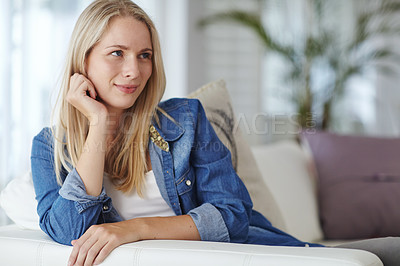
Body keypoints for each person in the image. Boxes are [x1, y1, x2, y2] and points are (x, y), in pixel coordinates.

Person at [30, 1, 399, 266]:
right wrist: (97, 124)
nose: (134, 70)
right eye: (117, 53)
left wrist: (134, 229)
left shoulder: (185, 119)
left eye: (144, 55)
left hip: (263, 254)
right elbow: (67, 229)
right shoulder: (49, 148)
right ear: (84, 60)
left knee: (388, 252)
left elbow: (233, 214)